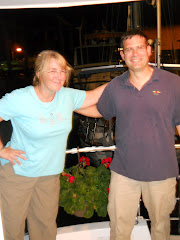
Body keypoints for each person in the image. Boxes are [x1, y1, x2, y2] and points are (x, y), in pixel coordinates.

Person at [77, 29, 180, 240]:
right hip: (124, 171)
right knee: (119, 227)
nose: (135, 54)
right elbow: (100, 110)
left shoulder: (173, 83)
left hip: (161, 170)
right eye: (129, 49)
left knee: (160, 226)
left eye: (139, 48)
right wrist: (68, 106)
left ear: (149, 51)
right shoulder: (116, 86)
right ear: (122, 55)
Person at [0, 50, 107, 240]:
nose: (59, 76)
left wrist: (124, 81)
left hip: (49, 174)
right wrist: (2, 150)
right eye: (52, 71)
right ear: (38, 73)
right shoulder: (20, 98)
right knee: (14, 227)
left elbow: (94, 97)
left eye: (62, 71)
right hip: (18, 171)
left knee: (45, 226)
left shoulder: (66, 96)